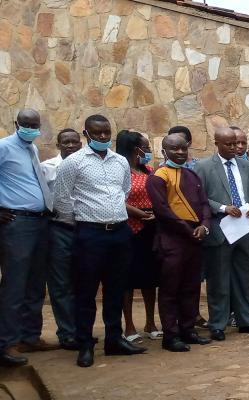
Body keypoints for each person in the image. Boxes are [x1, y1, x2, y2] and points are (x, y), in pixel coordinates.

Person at [54, 114, 146, 367]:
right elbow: (61, 198)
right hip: (89, 234)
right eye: (97, 133)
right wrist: (82, 221)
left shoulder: (120, 162)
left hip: (120, 232)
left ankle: (114, 340)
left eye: (106, 132)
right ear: (86, 134)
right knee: (85, 291)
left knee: (116, 289)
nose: (103, 137)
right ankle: (85, 344)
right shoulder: (74, 163)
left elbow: (124, 191)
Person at [195, 127, 249, 340]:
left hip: (246, 229)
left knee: (244, 278)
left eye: (236, 143)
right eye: (229, 144)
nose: (234, 147)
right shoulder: (204, 167)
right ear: (216, 143)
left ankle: (246, 320)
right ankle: (218, 324)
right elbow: (199, 197)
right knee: (219, 279)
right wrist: (223, 208)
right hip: (220, 230)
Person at [145, 134, 213, 352]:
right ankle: (171, 335)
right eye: (175, 149)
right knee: (170, 289)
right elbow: (162, 210)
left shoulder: (192, 175)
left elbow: (204, 204)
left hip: (195, 238)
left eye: (184, 148)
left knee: (191, 287)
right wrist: (187, 230)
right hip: (172, 239)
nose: (181, 153)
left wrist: (204, 226)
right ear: (164, 151)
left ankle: (188, 330)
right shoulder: (158, 177)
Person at [0, 109, 57, 367]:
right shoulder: (4, 147)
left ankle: (30, 336)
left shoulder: (31, 148)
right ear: (16, 124)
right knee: (14, 285)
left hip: (40, 222)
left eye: (35, 125)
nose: (31, 128)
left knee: (36, 283)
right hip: (17, 224)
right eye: (26, 124)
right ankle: (7, 343)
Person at [38, 128, 82, 351]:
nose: (71, 145)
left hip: (85, 230)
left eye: (75, 142)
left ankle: (82, 331)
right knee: (61, 284)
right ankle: (67, 333)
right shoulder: (46, 168)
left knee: (82, 283)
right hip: (59, 230)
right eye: (66, 142)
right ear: (58, 145)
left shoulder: (87, 167)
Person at [116, 131, 161, 345]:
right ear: (136, 149)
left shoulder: (148, 170)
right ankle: (129, 326)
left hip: (150, 229)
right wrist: (140, 213)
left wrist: (154, 214)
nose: (149, 151)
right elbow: (117, 198)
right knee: (127, 279)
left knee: (149, 279)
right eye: (146, 147)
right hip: (129, 228)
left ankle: (151, 323)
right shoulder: (120, 171)